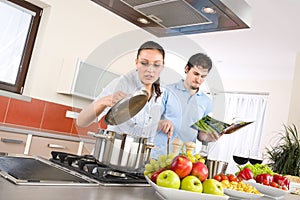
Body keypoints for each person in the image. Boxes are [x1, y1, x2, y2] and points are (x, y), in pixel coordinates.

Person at [76, 41, 165, 138]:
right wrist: (104, 101)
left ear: (162, 66)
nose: (150, 69)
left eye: (156, 65)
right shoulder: (122, 83)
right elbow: (81, 122)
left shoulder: (161, 95)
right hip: (112, 150)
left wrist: (162, 124)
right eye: (144, 63)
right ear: (137, 63)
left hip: (139, 151)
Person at [151, 53, 219, 159]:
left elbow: (200, 135)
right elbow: (150, 122)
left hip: (186, 160)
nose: (199, 79)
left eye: (203, 76)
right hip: (160, 155)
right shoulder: (167, 91)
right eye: (196, 74)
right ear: (187, 69)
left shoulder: (206, 101)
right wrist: (161, 123)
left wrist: (209, 136)